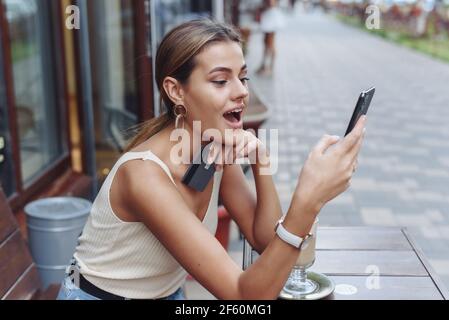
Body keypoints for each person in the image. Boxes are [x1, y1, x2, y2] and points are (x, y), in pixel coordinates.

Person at [57, 19, 366, 300]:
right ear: (176, 91)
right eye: (221, 81)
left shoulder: (213, 148)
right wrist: (308, 201)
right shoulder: (144, 175)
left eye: (243, 77)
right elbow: (246, 298)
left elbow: (265, 242)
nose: (241, 92)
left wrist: (261, 161)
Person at [256, 0, 285, 76]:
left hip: (270, 19)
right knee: (266, 43)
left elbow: (271, 4)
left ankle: (270, 68)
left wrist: (261, 7)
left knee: (270, 44)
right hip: (269, 17)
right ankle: (264, 65)